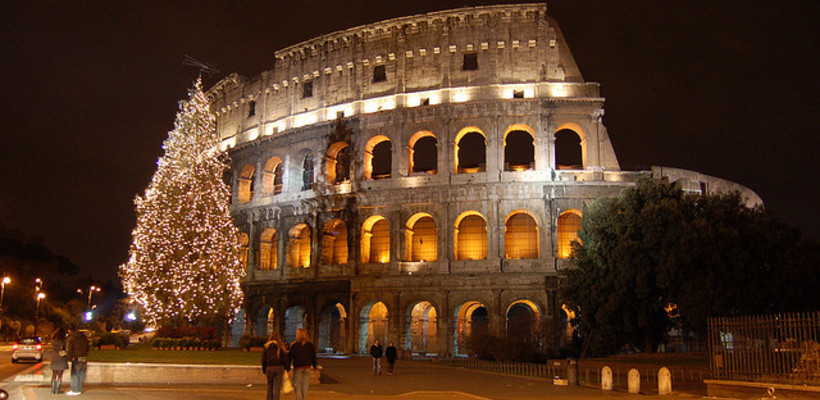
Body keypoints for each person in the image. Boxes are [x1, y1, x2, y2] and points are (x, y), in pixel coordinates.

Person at [289, 328, 317, 400]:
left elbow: (290, 356)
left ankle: (299, 398)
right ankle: (303, 398)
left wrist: (287, 366)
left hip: (298, 366)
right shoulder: (310, 345)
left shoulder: (294, 345)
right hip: (307, 366)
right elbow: (313, 356)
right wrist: (315, 366)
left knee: (297, 384)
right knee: (305, 384)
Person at [261, 331, 289, 400]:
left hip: (269, 367)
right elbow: (285, 358)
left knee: (270, 385)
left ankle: (269, 398)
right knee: (277, 386)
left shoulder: (266, 347)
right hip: (279, 367)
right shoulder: (281, 347)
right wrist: (286, 368)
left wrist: (264, 369)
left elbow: (263, 359)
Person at [65, 325, 89, 396]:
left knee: (74, 374)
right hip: (84, 358)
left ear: (69, 330)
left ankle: (75, 390)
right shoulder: (84, 337)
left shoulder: (71, 338)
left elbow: (70, 350)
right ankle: (79, 389)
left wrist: (69, 358)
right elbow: (87, 347)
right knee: (81, 374)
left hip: (76, 358)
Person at [49, 327, 69, 394]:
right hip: (62, 358)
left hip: (54, 357)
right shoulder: (65, 341)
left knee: (54, 374)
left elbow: (52, 345)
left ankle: (53, 389)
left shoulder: (53, 341)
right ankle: (58, 389)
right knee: (60, 375)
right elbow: (67, 349)